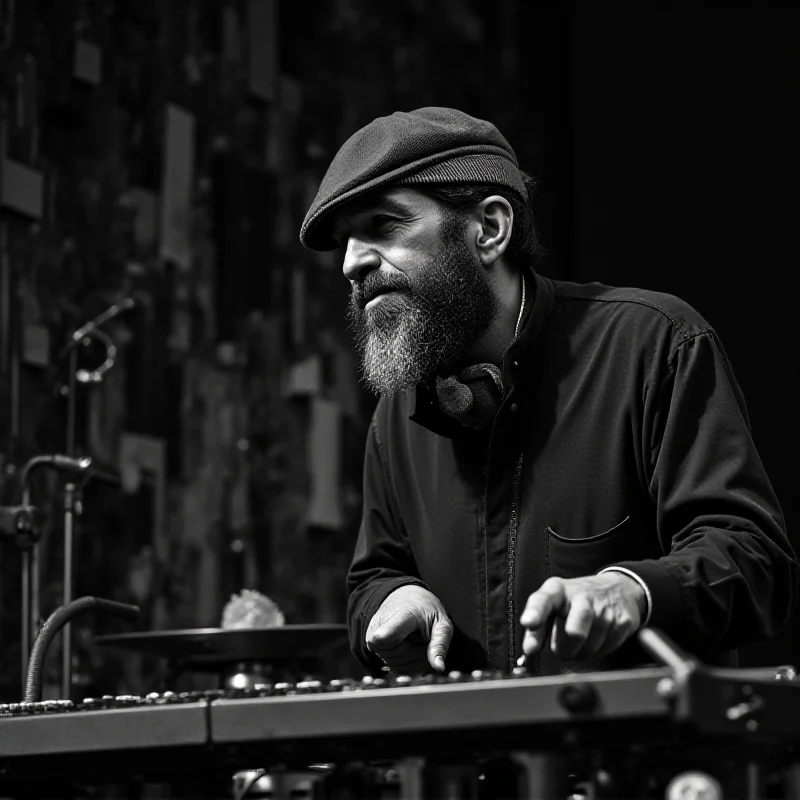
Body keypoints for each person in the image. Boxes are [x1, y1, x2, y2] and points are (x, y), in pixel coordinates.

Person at [299, 107, 798, 677]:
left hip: (642, 756)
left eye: (385, 225)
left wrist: (632, 591)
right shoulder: (397, 408)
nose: (351, 263)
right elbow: (374, 575)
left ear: (489, 229)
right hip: (471, 763)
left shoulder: (654, 344)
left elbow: (756, 562)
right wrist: (386, 602)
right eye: (345, 242)